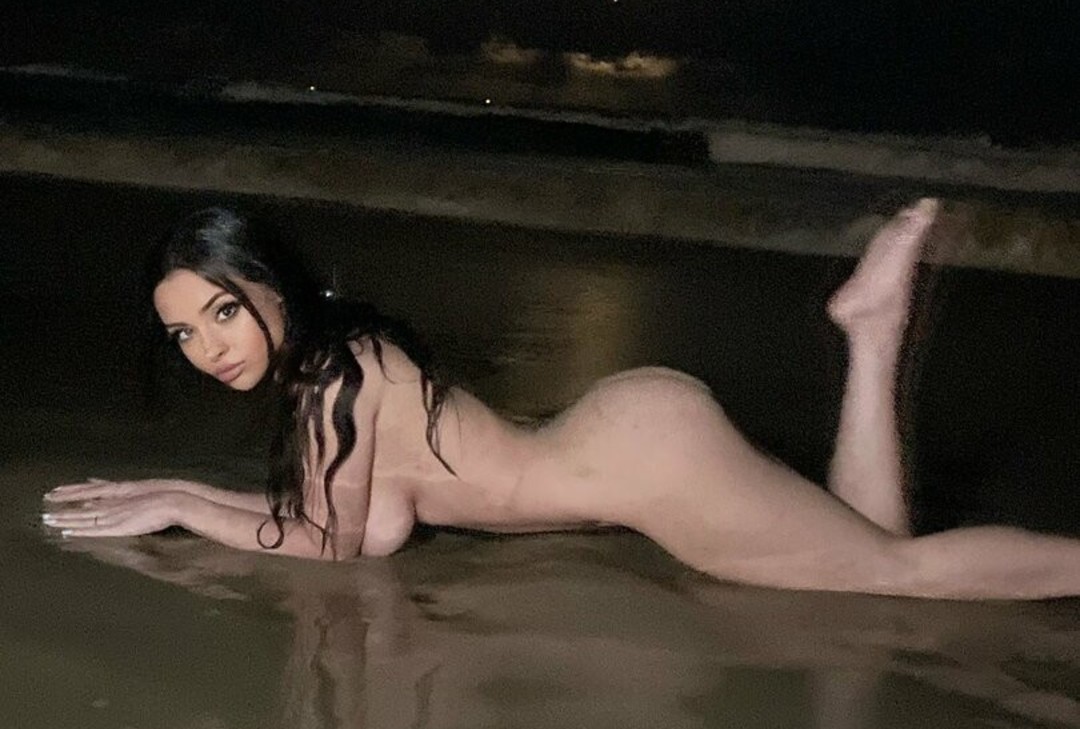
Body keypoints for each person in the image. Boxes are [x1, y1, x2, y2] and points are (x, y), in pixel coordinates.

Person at [43, 201, 1080, 598]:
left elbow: (330, 542)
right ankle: (872, 332)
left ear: (271, 287)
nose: (207, 347)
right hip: (634, 437)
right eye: (184, 332)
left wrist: (180, 500)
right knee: (871, 546)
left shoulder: (338, 378)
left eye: (223, 311)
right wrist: (189, 496)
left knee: (895, 574)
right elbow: (361, 529)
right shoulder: (339, 366)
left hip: (648, 466)